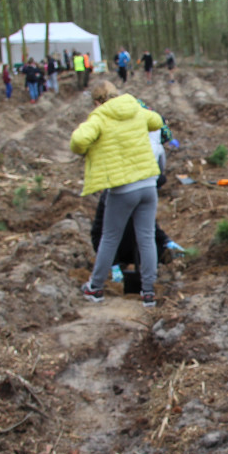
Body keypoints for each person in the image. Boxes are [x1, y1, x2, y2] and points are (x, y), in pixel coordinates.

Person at [70, 81, 165, 307]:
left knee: (110, 237)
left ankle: (95, 288)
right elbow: (157, 121)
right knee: (147, 237)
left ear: (96, 102)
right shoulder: (135, 108)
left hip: (123, 189)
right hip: (148, 184)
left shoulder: (99, 117)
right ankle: (148, 292)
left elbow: (78, 141)